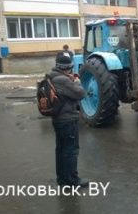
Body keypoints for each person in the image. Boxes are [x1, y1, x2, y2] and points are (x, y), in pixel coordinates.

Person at [49, 55, 88, 187]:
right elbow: (80, 94)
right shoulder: (63, 81)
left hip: (57, 119)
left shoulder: (51, 77)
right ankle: (72, 179)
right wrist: (76, 82)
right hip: (68, 120)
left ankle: (62, 178)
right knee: (71, 150)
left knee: (60, 149)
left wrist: (69, 79)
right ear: (68, 67)